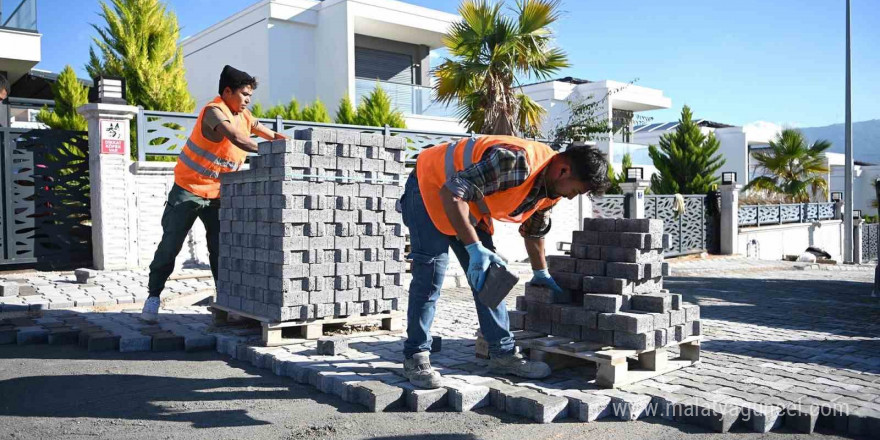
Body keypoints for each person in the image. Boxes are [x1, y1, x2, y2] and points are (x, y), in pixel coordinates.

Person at [400, 135, 610, 388]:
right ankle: (416, 355)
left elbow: (533, 231)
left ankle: (503, 354)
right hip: (428, 185)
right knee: (431, 272)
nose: (570, 198)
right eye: (575, 191)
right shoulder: (515, 162)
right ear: (563, 170)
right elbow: (450, 193)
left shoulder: (550, 189)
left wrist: (540, 271)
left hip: (464, 200)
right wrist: (474, 247)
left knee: (491, 275)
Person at [141, 65, 286, 322]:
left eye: (250, 95)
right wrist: (270, 151)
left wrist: (291, 145)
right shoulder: (213, 111)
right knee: (170, 246)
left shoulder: (245, 115)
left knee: (222, 250)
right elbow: (237, 139)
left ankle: (225, 301)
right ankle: (153, 297)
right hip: (188, 190)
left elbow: (268, 133)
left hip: (219, 195)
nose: (248, 100)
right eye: (244, 94)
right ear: (227, 91)